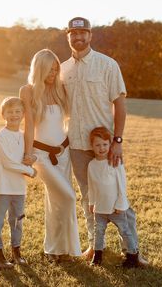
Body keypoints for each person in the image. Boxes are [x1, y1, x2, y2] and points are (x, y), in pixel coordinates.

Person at [60, 16, 148, 266]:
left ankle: (132, 250)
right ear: (68, 37)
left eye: (83, 33)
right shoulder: (63, 69)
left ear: (90, 35)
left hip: (105, 146)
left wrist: (117, 140)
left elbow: (120, 104)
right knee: (89, 199)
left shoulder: (107, 65)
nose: (78, 38)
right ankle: (94, 245)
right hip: (77, 145)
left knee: (119, 199)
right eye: (73, 34)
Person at [19, 49, 81, 262]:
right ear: (39, 69)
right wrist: (28, 155)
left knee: (57, 201)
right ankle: (60, 248)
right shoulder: (27, 91)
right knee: (68, 196)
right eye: (49, 70)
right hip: (41, 156)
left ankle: (59, 251)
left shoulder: (60, 89)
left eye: (56, 69)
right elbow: (28, 127)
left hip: (64, 153)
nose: (54, 73)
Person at [0, 97, 36, 270]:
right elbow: (9, 163)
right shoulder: (0, 137)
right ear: (3, 114)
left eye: (17, 111)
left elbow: (31, 153)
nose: (14, 115)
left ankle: (16, 251)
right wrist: (30, 171)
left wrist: (32, 158)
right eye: (10, 112)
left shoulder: (24, 136)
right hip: (1, 188)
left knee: (17, 221)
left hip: (18, 189)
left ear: (23, 114)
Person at [88, 127, 139, 268]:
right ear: (91, 146)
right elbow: (91, 187)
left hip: (115, 207)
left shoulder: (114, 161)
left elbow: (122, 185)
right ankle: (97, 256)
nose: (101, 148)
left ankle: (133, 255)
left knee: (125, 231)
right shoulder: (91, 165)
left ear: (110, 144)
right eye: (97, 145)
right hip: (100, 208)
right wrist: (92, 203)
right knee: (98, 231)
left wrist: (120, 205)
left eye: (105, 144)